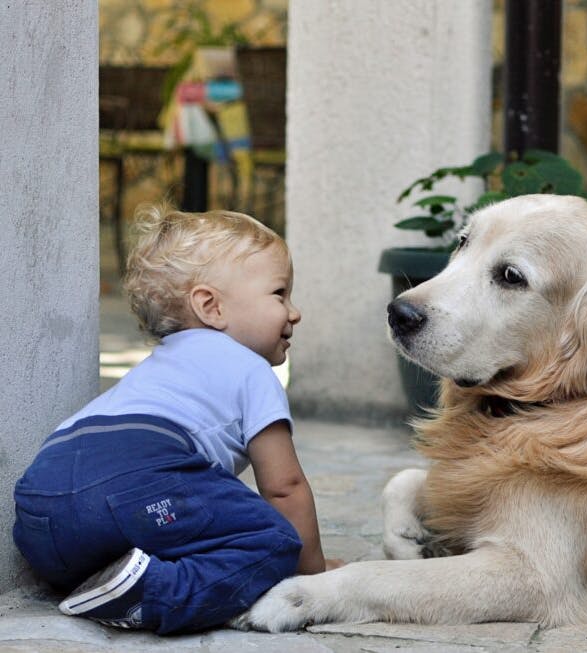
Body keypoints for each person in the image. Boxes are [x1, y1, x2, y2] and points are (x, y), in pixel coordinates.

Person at [13, 205, 341, 634]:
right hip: (133, 478)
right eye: (280, 294)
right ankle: (152, 595)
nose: (294, 312)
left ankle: (109, 578)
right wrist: (313, 570)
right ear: (210, 306)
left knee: (190, 516)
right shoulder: (251, 368)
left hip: (41, 504)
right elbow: (284, 486)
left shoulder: (158, 367)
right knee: (273, 540)